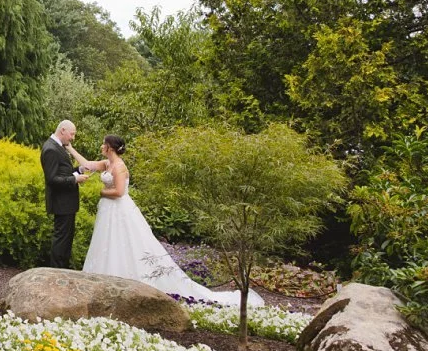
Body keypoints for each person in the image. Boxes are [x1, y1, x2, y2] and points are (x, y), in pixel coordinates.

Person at [68, 134, 263, 307]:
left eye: (104, 144)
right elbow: (88, 163)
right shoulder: (107, 163)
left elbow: (119, 192)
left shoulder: (118, 166)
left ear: (109, 147)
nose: (101, 146)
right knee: (107, 244)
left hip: (118, 210)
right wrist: (69, 148)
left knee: (125, 243)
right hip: (108, 211)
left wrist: (98, 191)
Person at [41, 119, 90, 267]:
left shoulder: (58, 146)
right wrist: (75, 179)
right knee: (61, 239)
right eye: (72, 134)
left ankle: (62, 269)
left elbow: (63, 172)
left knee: (66, 240)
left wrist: (78, 170)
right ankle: (57, 270)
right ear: (63, 130)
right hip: (61, 203)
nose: (72, 138)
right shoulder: (50, 148)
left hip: (67, 203)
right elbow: (52, 179)